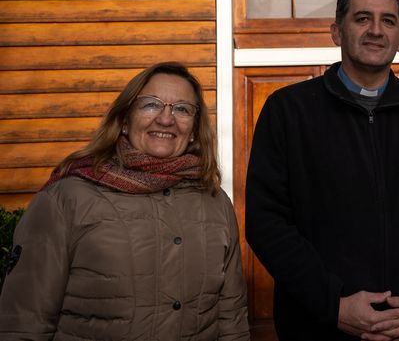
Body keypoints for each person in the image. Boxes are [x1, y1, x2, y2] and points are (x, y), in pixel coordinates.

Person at [245, 0, 399, 340]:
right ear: (336, 32)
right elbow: (266, 222)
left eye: (388, 20)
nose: (376, 30)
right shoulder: (287, 112)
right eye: (362, 18)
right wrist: (331, 304)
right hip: (319, 327)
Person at [0, 62, 250, 341]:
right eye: (151, 105)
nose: (166, 119)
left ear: (193, 129)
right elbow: (24, 322)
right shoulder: (66, 199)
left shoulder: (215, 203)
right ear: (124, 121)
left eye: (182, 109)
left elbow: (232, 320)